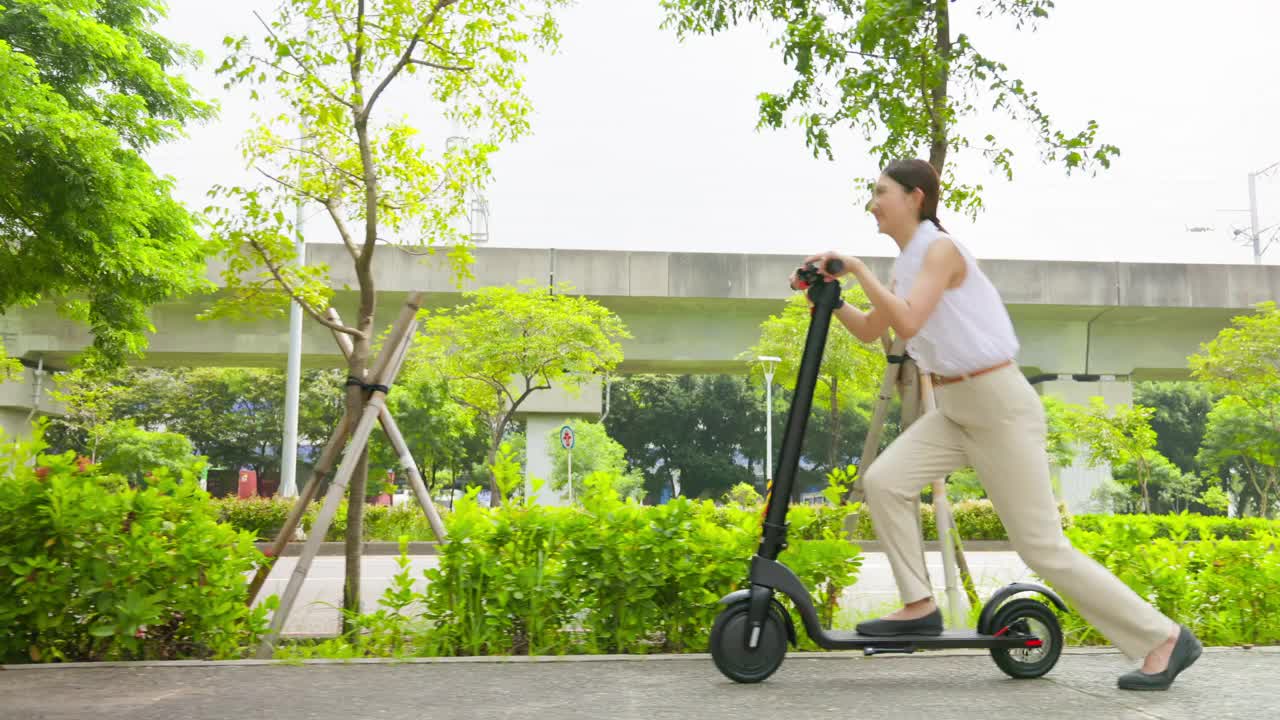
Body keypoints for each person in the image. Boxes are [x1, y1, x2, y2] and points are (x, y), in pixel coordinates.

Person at [799, 158, 1201, 691]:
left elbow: (910, 321)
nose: (872, 203)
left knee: (1042, 547)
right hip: (955, 407)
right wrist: (826, 298)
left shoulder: (941, 250)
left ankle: (1165, 639)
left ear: (915, 196)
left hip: (999, 405)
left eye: (881, 192)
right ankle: (919, 604)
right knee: (883, 481)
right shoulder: (905, 266)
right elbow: (877, 330)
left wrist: (854, 265)